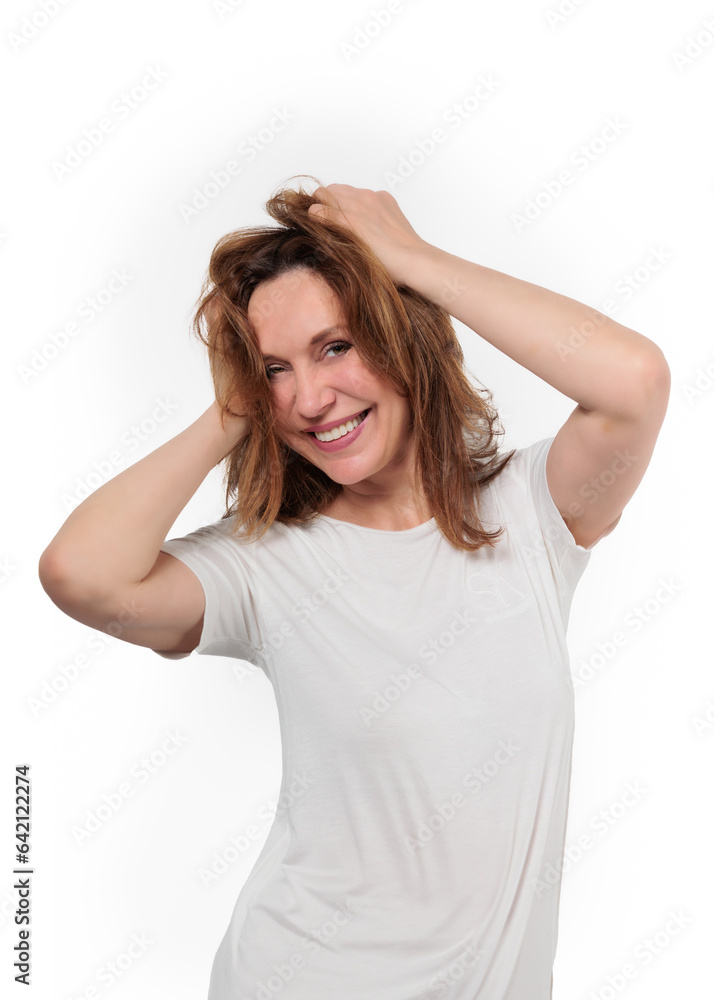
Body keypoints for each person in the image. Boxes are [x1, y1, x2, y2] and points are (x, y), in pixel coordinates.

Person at [38, 178, 671, 1000]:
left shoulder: (531, 514)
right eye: (275, 370)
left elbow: (636, 382)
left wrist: (411, 260)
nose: (309, 398)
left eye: (336, 346)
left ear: (403, 337)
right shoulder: (263, 564)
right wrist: (234, 407)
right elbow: (79, 574)